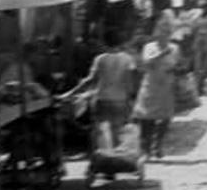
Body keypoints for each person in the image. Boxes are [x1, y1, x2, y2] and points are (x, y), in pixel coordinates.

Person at [60, 30, 139, 154]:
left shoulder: (100, 59)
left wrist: (71, 92)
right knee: (116, 131)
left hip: (102, 100)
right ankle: (114, 163)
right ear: (121, 42)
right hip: (120, 100)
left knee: (98, 132)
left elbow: (90, 80)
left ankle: (97, 160)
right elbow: (129, 83)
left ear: (104, 43)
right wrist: (131, 99)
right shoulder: (128, 59)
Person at [133, 18, 180, 159]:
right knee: (147, 119)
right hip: (150, 86)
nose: (165, 35)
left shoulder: (175, 48)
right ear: (156, 33)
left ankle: (157, 145)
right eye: (162, 32)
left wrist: (176, 70)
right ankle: (145, 148)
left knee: (165, 118)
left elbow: (176, 64)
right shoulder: (149, 47)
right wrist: (161, 54)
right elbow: (146, 64)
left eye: (167, 32)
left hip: (166, 86)